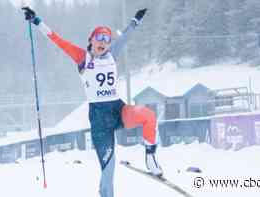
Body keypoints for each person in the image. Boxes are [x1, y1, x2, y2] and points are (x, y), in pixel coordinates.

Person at [22, 7, 163, 197]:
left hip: (117, 109)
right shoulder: (82, 57)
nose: (104, 42)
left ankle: (151, 157)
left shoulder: (112, 54)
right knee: (109, 170)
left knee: (148, 115)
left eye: (107, 39)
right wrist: (37, 21)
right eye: (100, 38)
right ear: (92, 40)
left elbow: (126, 36)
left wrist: (136, 19)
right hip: (99, 119)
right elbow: (57, 39)